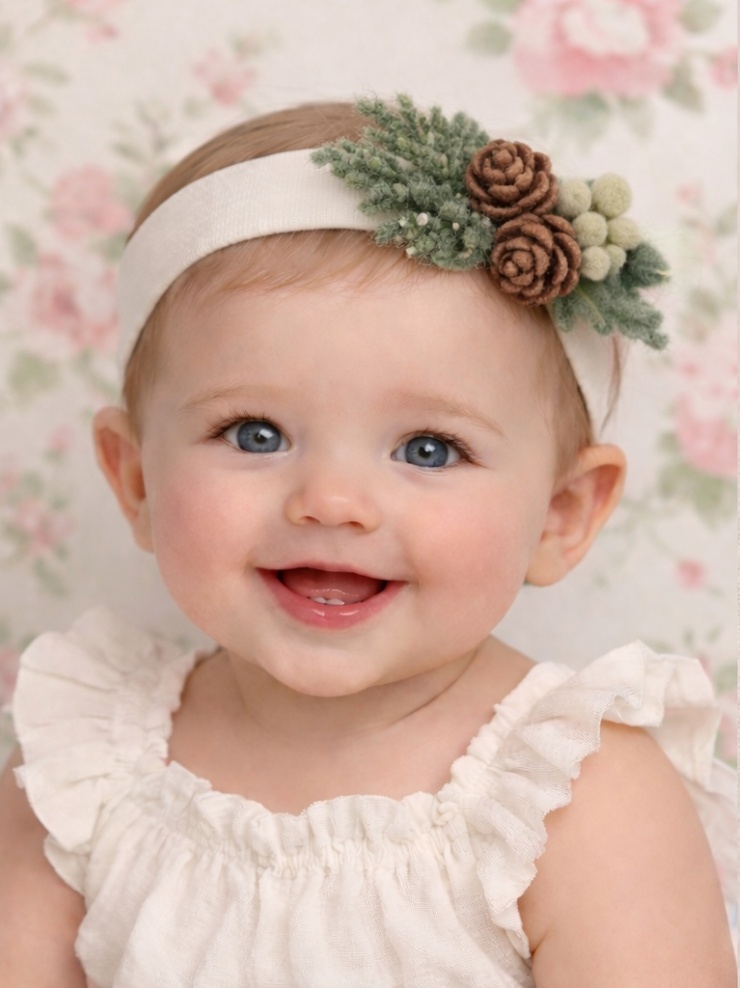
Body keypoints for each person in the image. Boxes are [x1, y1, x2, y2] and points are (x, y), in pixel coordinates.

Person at [0, 95, 735, 988]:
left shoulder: (575, 803)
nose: (333, 502)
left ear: (560, 514)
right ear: (138, 480)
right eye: (254, 433)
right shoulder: (85, 765)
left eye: (430, 449)